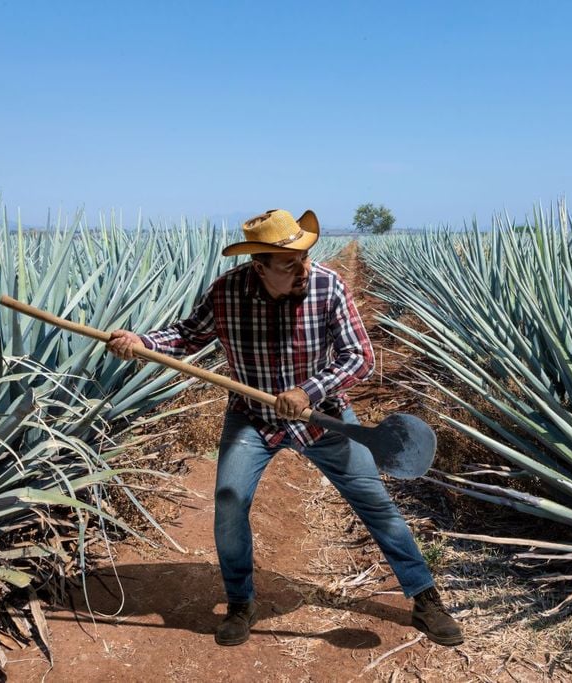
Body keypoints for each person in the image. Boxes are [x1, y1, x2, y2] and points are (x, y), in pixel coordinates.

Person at [106, 208, 463, 647]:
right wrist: (142, 343)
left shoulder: (327, 286)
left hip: (324, 419)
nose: (303, 268)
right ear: (259, 266)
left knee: (374, 501)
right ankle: (240, 603)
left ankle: (425, 599)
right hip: (252, 419)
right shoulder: (227, 292)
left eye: (305, 256)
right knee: (229, 503)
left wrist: (309, 391)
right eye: (289, 263)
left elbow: (360, 356)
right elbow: (186, 336)